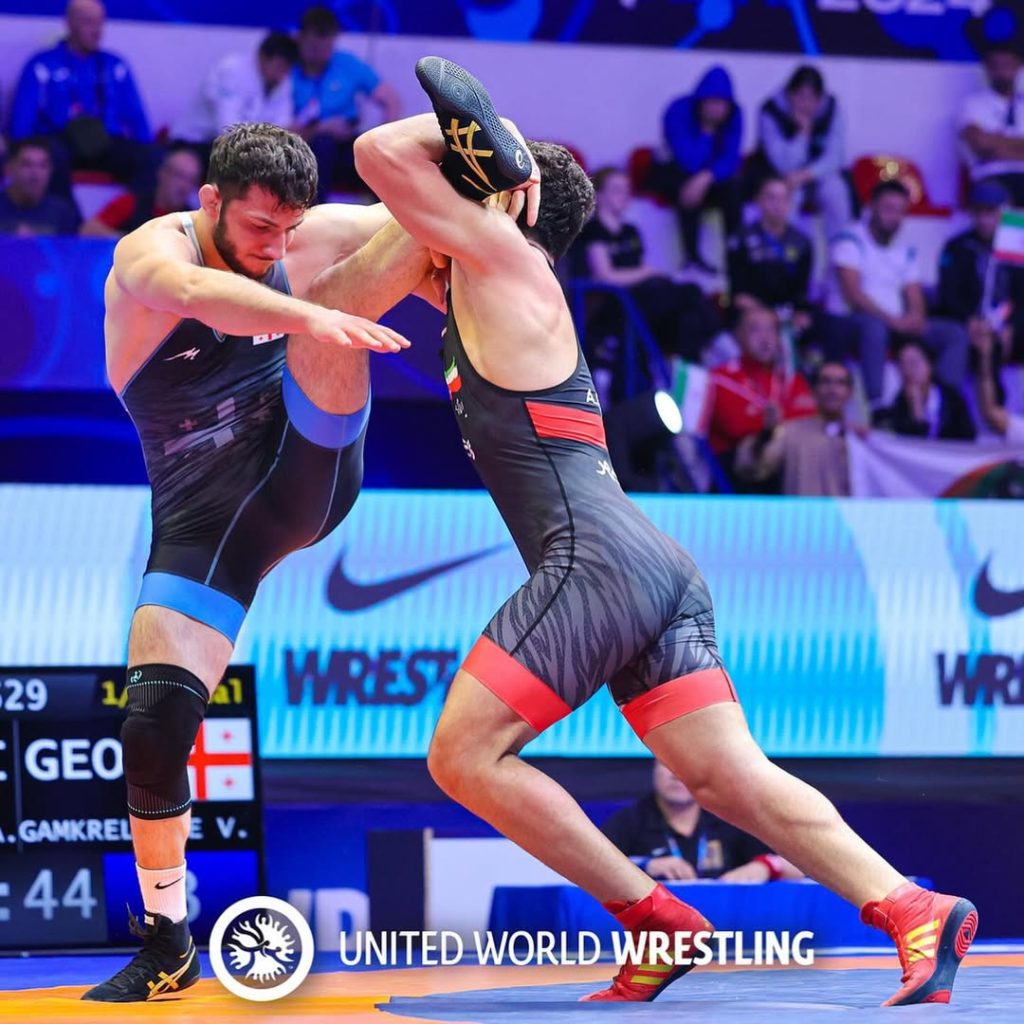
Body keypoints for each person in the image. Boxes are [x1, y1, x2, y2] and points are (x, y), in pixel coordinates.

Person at [355, 55, 977, 1007]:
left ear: (502, 202)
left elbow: (377, 152)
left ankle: (653, 916)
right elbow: (362, 250)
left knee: (462, 757)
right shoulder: (488, 289)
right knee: (731, 779)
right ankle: (911, 906)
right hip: (648, 564)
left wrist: (487, 137)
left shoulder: (501, 262)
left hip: (596, 564)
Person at [82, 122, 428, 1003]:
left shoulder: (307, 242)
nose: (276, 247)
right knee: (152, 729)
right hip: (206, 525)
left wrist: (488, 184)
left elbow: (419, 234)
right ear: (210, 201)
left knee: (408, 237)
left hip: (301, 467)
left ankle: (496, 162)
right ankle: (169, 941)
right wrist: (310, 310)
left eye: (288, 229)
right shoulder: (151, 254)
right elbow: (201, 295)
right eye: (259, 227)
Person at [828, 180, 969, 407]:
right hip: (850, 322)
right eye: (888, 209)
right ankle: (876, 405)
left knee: (954, 334)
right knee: (874, 327)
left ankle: (945, 405)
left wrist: (916, 317)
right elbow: (854, 296)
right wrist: (894, 322)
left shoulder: (905, 250)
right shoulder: (849, 239)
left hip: (895, 324)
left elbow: (914, 294)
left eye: (900, 211)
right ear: (871, 206)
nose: (894, 217)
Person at [573, 166, 718, 364]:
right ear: (599, 195)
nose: (624, 196)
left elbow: (637, 271)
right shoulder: (592, 230)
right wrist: (648, 272)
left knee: (687, 319)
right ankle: (718, 342)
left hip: (638, 301)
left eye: (627, 190)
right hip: (612, 303)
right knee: (688, 293)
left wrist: (647, 274)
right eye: (617, 190)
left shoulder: (631, 232)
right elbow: (605, 275)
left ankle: (689, 374)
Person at [9, 0, 155, 195]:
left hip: (106, 144)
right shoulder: (42, 64)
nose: (96, 30)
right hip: (61, 143)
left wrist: (148, 150)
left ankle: (133, 213)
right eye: (88, 22)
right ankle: (63, 213)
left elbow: (137, 118)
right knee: (51, 156)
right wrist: (20, 152)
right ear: (69, 23)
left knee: (152, 159)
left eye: (100, 22)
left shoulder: (115, 66)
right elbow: (21, 124)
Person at [602, 760, 801, 882]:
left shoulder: (730, 818)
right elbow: (594, 866)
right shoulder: (630, 820)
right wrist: (646, 865)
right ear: (654, 769)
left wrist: (765, 866)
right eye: (667, 764)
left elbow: (799, 868)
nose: (676, 775)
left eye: (687, 767)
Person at [292, 4, 401, 201]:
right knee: (322, 146)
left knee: (375, 157)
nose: (318, 51)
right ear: (300, 39)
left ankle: (385, 213)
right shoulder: (288, 69)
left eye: (325, 45)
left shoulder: (347, 65)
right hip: (304, 142)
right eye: (312, 45)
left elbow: (391, 101)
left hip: (345, 142)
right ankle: (315, 210)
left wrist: (384, 139)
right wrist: (323, 128)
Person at [707, 305, 817, 484]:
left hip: (787, 452)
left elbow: (811, 416)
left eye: (771, 330)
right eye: (755, 330)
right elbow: (736, 427)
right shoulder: (721, 377)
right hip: (737, 460)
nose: (765, 338)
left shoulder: (789, 378)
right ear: (738, 336)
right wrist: (776, 419)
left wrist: (774, 417)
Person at [654, 65, 743, 273]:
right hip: (673, 172)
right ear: (700, 100)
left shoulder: (735, 115)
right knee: (686, 187)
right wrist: (707, 131)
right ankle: (691, 257)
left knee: (733, 188)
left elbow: (731, 159)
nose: (717, 109)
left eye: (722, 104)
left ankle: (736, 254)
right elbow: (688, 159)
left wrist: (706, 177)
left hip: (709, 178)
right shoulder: (677, 110)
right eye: (712, 102)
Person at [756, 65, 851, 241]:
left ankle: (840, 251)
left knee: (836, 190)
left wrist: (806, 174)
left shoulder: (832, 109)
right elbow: (782, 163)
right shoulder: (771, 111)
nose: (806, 104)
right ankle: (784, 251)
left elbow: (835, 157)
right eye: (800, 97)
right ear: (789, 94)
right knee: (786, 193)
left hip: (816, 175)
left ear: (820, 98)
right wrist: (802, 135)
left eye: (812, 98)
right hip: (780, 174)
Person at [734, 361, 855, 496]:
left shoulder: (861, 438)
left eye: (840, 383)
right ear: (813, 390)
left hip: (853, 509)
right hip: (804, 508)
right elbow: (751, 467)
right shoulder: (790, 432)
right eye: (826, 382)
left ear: (850, 392)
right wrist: (766, 434)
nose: (832, 390)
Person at [936, 180, 1024, 365]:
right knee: (982, 345)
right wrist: (969, 320)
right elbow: (948, 294)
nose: (984, 220)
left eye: (990, 212)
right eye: (978, 212)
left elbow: (1021, 295)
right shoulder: (957, 247)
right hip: (970, 323)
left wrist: (1012, 326)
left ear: (1003, 212)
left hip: (1010, 323)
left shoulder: (1017, 246)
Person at [171, 31, 299, 156]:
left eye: (286, 69)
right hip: (195, 143)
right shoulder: (232, 70)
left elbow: (282, 126)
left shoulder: (282, 81)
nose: (281, 75)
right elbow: (226, 129)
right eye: (279, 66)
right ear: (262, 57)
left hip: (243, 150)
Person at [81, 145, 203, 237]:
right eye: (179, 176)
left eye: (191, 180)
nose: (184, 186)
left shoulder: (193, 221)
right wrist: (132, 242)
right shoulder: (131, 203)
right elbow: (88, 230)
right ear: (163, 174)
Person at [957, 41, 1024, 206]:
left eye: (1007, 64)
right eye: (996, 65)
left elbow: (989, 145)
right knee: (992, 197)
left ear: (1018, 66)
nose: (1002, 71)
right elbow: (981, 144)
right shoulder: (973, 104)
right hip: (990, 177)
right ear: (987, 68)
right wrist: (1018, 146)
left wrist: (998, 147)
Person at [872, 340, 976, 441]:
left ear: (929, 365)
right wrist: (916, 409)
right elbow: (911, 445)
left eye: (913, 364)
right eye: (902, 365)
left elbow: (968, 437)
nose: (907, 371)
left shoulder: (952, 399)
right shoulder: (899, 404)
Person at [0, 136, 82, 236]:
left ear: (51, 170)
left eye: (43, 166)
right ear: (8, 169)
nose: (35, 174)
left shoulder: (62, 213)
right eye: (26, 165)